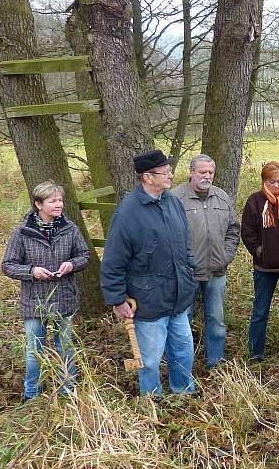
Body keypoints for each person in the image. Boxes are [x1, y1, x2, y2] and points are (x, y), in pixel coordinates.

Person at [101, 150, 198, 396]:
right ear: (147, 177)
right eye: (164, 173)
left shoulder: (172, 202)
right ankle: (151, 401)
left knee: (184, 350)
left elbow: (184, 242)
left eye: (169, 171)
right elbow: (113, 261)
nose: (170, 176)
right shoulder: (127, 213)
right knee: (150, 359)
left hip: (179, 296)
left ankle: (183, 393)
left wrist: (189, 269)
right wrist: (117, 299)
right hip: (148, 300)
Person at [2, 181, 90, 400]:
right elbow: (8, 265)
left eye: (60, 200)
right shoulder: (22, 233)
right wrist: (32, 271)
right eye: (53, 201)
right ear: (39, 204)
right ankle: (32, 393)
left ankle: (68, 390)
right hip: (34, 302)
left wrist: (71, 265)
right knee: (34, 350)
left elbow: (84, 256)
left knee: (66, 347)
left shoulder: (70, 229)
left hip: (64, 297)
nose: (59, 204)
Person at [173, 155, 240, 369]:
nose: (207, 176)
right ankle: (182, 365)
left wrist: (226, 256)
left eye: (210, 172)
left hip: (216, 272)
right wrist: (181, 263)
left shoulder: (222, 197)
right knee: (182, 320)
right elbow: (167, 235)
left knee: (217, 321)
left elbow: (233, 230)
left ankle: (215, 362)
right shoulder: (175, 198)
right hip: (186, 273)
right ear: (191, 172)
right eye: (202, 172)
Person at [241, 161, 279, 361]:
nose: (277, 186)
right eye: (272, 182)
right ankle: (256, 352)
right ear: (264, 182)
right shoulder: (255, 201)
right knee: (260, 310)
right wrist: (258, 250)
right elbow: (247, 231)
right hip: (264, 267)